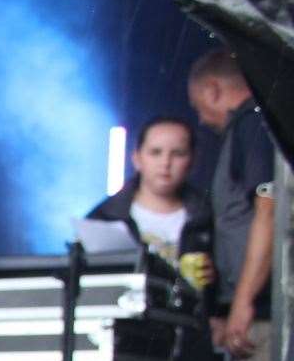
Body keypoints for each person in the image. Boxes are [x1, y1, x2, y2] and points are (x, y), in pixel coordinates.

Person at [189, 49, 281, 361]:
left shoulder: (252, 122)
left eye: (198, 106)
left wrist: (242, 303)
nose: (201, 119)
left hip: (267, 312)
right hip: (259, 307)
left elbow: (268, 209)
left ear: (213, 89)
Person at [86, 115, 215, 281]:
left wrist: (215, 274)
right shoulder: (103, 219)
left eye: (178, 153)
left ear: (192, 161)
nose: (165, 162)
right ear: (137, 158)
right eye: (155, 152)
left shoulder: (211, 217)